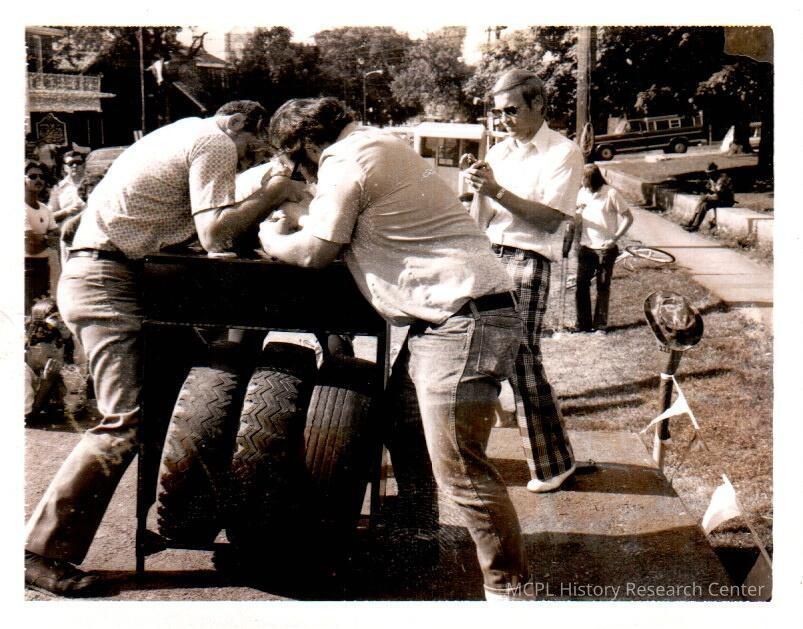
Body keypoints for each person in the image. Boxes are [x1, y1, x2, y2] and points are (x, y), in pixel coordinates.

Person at [24, 100, 307, 598]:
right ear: (238, 124)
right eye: (250, 148)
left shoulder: (180, 133)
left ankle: (157, 521)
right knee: (123, 423)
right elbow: (215, 233)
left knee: (164, 406)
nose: (245, 160)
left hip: (113, 274)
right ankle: (39, 552)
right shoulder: (215, 140)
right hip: (106, 280)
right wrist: (276, 191)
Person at [260, 97, 528, 600]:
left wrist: (270, 237)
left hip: (461, 319)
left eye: (297, 164)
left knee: (462, 470)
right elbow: (344, 219)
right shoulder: (378, 144)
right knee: (403, 426)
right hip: (453, 317)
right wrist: (300, 213)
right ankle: (419, 531)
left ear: (308, 145)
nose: (304, 175)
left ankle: (510, 594)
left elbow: (315, 251)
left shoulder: (346, 159)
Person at [464, 69, 583, 493]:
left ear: (539, 105)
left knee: (521, 358)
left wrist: (494, 190)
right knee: (469, 351)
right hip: (490, 255)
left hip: (529, 259)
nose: (504, 120)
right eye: (499, 112)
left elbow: (550, 219)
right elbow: (481, 218)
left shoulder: (563, 152)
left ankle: (553, 464)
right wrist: (477, 193)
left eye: (512, 110)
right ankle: (474, 458)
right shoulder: (499, 152)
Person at [574, 164, 633, 333]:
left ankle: (600, 325)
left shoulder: (610, 193)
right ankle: (583, 324)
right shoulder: (582, 192)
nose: (581, 181)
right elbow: (578, 218)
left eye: (583, 178)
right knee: (581, 285)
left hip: (605, 248)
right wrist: (576, 240)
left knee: (602, 286)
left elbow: (628, 218)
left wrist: (614, 238)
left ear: (591, 178)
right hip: (586, 247)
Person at [24, 161, 60, 311]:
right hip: (25, 269)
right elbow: (30, 246)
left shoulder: (46, 209)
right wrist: (47, 238)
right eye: (32, 176)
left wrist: (40, 238)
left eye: (41, 176)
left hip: (45, 267)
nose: (38, 180)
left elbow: (56, 239)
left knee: (42, 312)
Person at [683, 162, 734, 232]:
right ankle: (694, 224)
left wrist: (707, 196)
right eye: (707, 173)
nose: (708, 175)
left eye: (710, 173)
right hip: (719, 199)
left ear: (715, 172)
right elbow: (711, 191)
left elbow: (719, 195)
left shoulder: (722, 179)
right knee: (704, 204)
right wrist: (705, 188)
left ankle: (693, 223)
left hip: (726, 201)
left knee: (703, 199)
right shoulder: (712, 179)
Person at [48, 150, 88, 223]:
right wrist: (66, 211)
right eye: (71, 163)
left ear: (84, 165)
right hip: (66, 227)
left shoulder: (92, 184)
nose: (75, 166)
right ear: (65, 167)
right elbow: (49, 217)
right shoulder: (57, 188)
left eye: (78, 163)